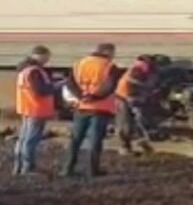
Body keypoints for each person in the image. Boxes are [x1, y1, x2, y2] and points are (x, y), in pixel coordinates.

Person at [62, 43, 119, 178]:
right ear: (107, 52)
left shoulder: (79, 64)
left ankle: (67, 169)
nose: (113, 56)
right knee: (95, 140)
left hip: (81, 107)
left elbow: (70, 83)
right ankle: (92, 170)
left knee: (75, 139)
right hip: (100, 108)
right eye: (113, 52)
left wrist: (81, 96)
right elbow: (109, 86)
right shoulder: (110, 66)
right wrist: (94, 96)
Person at [12, 45, 57, 175]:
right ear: (40, 55)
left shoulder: (24, 70)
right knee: (31, 140)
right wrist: (56, 86)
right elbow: (41, 90)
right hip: (36, 109)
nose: (48, 60)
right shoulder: (34, 71)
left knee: (23, 139)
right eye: (47, 57)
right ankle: (28, 167)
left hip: (27, 108)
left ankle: (18, 167)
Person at [115, 55, 156, 154]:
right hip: (124, 97)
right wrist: (134, 102)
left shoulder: (140, 68)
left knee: (132, 122)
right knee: (126, 123)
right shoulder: (138, 70)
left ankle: (138, 143)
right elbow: (131, 87)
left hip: (126, 96)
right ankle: (125, 146)